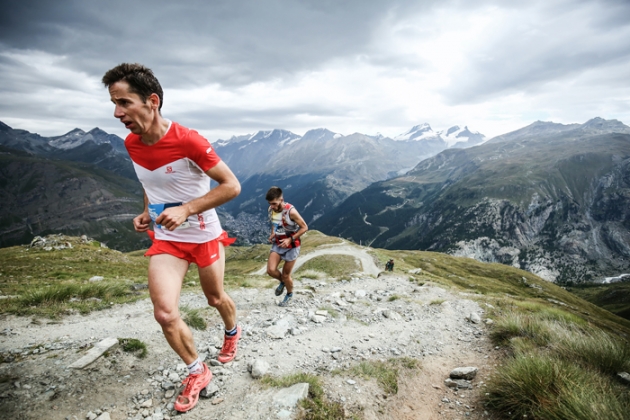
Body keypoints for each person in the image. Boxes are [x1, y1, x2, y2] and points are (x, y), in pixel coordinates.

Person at [102, 63, 241, 413]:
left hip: (204, 234)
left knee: (214, 298)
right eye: (114, 104)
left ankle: (232, 331)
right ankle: (198, 370)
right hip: (166, 239)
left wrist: (187, 209)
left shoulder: (188, 140)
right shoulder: (131, 144)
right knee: (164, 314)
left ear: (152, 101)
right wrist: (147, 211)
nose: (117, 113)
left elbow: (232, 186)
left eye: (124, 103)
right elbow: (150, 183)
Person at [265, 186, 308, 307]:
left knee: (285, 275)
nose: (272, 206)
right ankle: (283, 283)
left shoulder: (291, 212)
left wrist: (290, 239)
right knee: (271, 270)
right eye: (270, 203)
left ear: (281, 200)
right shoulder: (272, 209)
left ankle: (289, 294)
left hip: (292, 246)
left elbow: (305, 227)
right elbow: (275, 223)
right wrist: (273, 233)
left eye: (274, 203)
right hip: (278, 243)